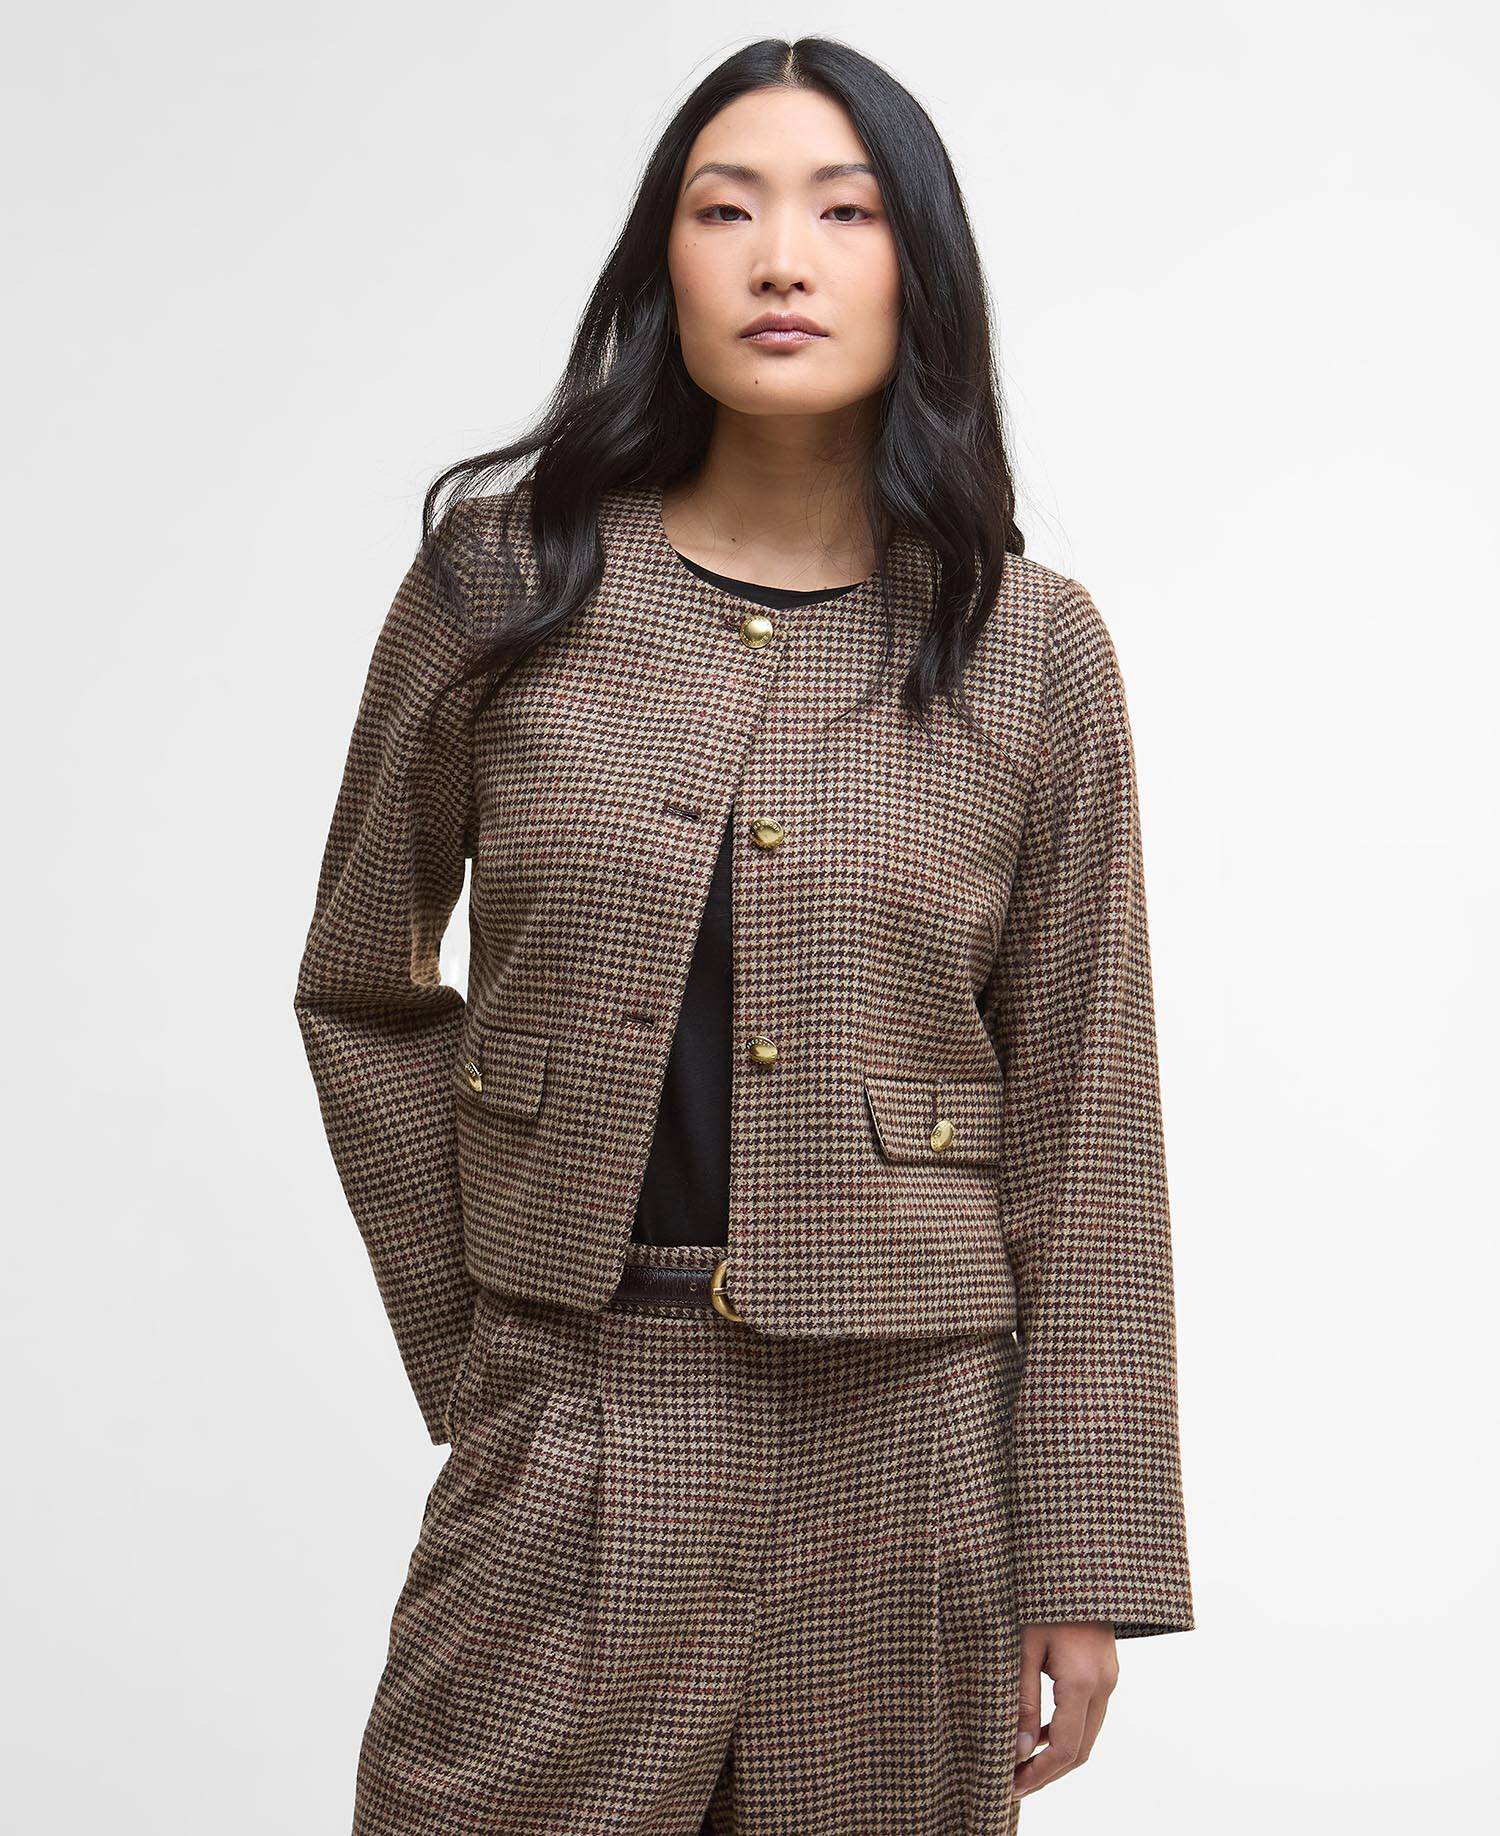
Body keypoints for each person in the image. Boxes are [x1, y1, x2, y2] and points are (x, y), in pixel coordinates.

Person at [293, 34, 1193, 1836]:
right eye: (728, 211)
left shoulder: (1033, 650)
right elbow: (362, 986)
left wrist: (1083, 1554)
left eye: (844, 214)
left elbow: (1088, 1120)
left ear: (920, 271)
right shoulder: (501, 582)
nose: (783, 259)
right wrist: (484, 1349)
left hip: (909, 1465)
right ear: (665, 265)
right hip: (575, 1416)